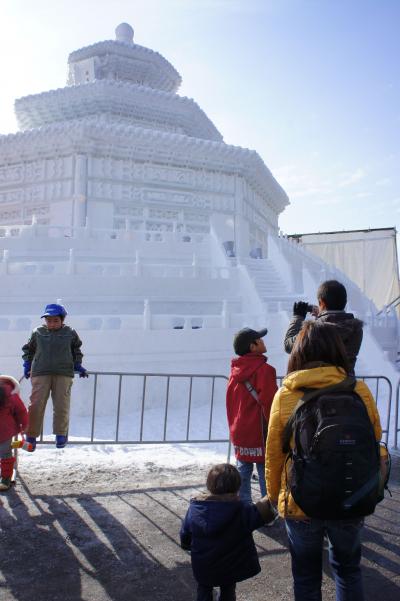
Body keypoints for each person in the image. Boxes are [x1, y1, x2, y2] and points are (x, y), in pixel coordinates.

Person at [266, 320, 382, 601]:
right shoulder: (359, 390)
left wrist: (275, 497)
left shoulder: (286, 395)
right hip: (351, 497)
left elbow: (274, 453)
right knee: (348, 571)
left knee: (306, 578)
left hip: (301, 501)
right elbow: (374, 437)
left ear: (299, 352)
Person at [180, 463, 276, 601]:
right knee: (228, 591)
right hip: (230, 567)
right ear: (237, 488)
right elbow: (262, 513)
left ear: (209, 486)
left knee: (203, 589)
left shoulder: (196, 509)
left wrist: (186, 544)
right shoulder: (242, 511)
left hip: (203, 565)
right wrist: (274, 494)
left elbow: (185, 532)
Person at [22, 303, 88, 450]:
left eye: (55, 320)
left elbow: (76, 350)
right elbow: (28, 350)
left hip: (63, 373)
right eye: (49, 320)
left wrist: (78, 365)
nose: (51, 323)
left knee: (61, 405)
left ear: (62, 320)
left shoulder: (70, 332)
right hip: (41, 372)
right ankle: (31, 436)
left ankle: (61, 435)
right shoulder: (37, 332)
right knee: (36, 405)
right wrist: (27, 365)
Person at [226, 327, 277, 504]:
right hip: (259, 430)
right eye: (259, 340)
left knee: (243, 471)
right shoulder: (265, 370)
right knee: (265, 471)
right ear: (252, 346)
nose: (263, 341)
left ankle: (244, 509)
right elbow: (271, 403)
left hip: (239, 429)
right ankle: (267, 513)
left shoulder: (235, 371)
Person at [284, 279, 363, 373]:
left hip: (316, 384)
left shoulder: (312, 330)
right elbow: (334, 327)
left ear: (321, 302)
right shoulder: (355, 329)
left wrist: (298, 317)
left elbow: (289, 345)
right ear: (345, 303)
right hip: (345, 383)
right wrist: (322, 316)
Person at [0, 375, 29, 491]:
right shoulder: (12, 394)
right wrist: (24, 425)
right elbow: (21, 411)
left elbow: (21, 411)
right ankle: (5, 480)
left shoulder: (11, 395)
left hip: (6, 432)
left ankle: (6, 479)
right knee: (6, 456)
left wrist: (24, 425)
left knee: (6, 455)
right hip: (6, 431)